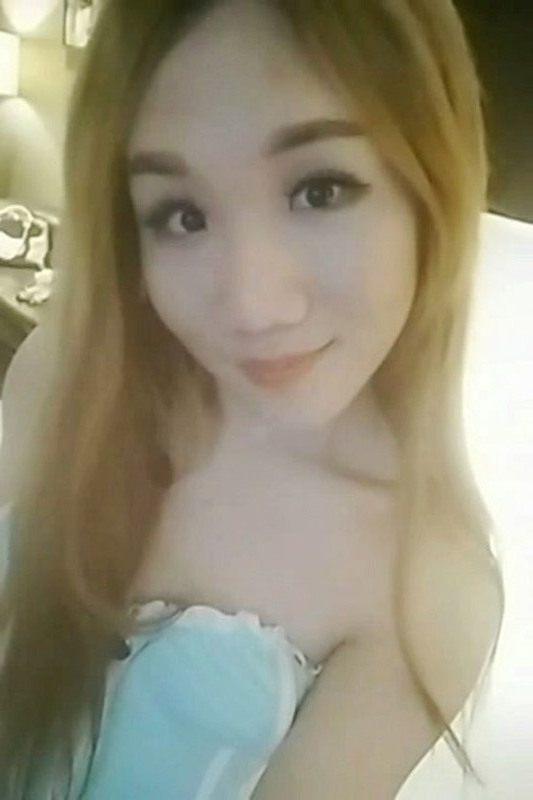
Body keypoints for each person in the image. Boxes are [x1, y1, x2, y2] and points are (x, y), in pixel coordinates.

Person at [0, 0, 505, 797]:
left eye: (319, 190)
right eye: (181, 215)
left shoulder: (428, 591)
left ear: (431, 188)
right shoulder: (62, 377)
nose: (251, 306)